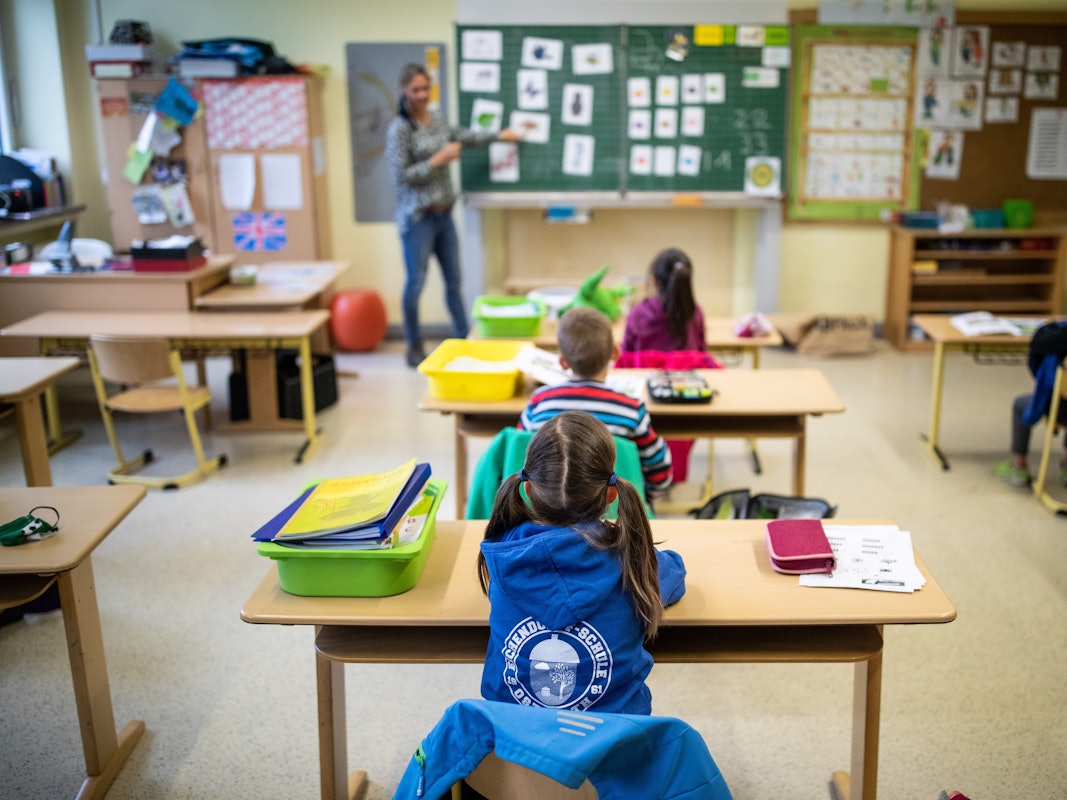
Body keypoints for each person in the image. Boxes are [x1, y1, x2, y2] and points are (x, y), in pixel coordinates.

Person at [477, 410, 687, 714]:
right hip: (612, 748)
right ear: (611, 494)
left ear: (527, 490)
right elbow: (675, 572)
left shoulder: (504, 553)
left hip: (516, 746)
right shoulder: (632, 561)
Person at [385, 63, 521, 367]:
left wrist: (500, 135)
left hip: (445, 217)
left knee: (454, 282)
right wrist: (437, 160)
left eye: (426, 88)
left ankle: (464, 339)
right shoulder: (400, 129)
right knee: (415, 283)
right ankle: (413, 345)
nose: (422, 94)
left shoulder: (438, 121)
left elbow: (467, 136)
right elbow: (400, 177)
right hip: (417, 218)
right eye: (415, 89)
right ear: (404, 91)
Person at [520, 306, 673, 493]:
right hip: (617, 513)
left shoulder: (539, 403)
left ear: (562, 361)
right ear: (615, 352)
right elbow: (661, 477)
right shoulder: (632, 410)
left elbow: (520, 455)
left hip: (546, 510)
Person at [994, 321, 1067, 486]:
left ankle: (1018, 466)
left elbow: (1038, 346)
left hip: (1060, 409)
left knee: (1021, 405)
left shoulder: (1059, 337)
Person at [620, 247, 706, 353]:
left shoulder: (637, 313)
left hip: (645, 370)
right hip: (687, 370)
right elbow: (702, 355)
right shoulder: (695, 312)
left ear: (654, 282)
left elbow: (625, 358)